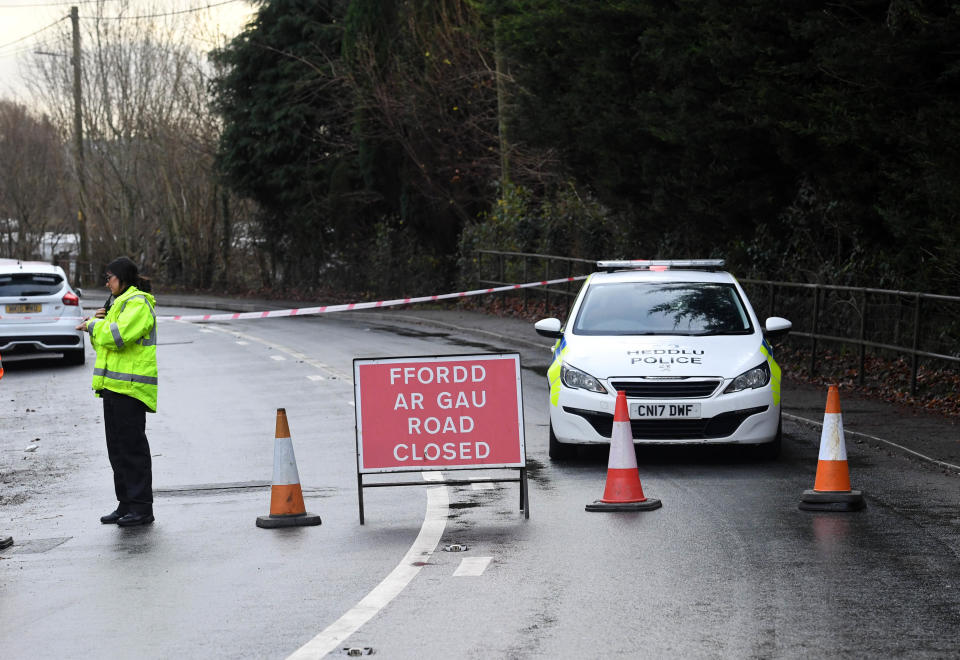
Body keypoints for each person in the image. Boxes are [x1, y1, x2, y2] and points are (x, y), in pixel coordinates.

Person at [76, 257, 158, 527]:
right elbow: (105, 347)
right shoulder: (116, 304)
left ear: (123, 278)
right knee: (117, 451)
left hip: (131, 388)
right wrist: (96, 326)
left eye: (110, 277)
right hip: (113, 387)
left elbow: (117, 337)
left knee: (132, 450)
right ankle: (125, 504)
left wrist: (94, 326)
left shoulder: (137, 303)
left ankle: (141, 508)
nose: (106, 282)